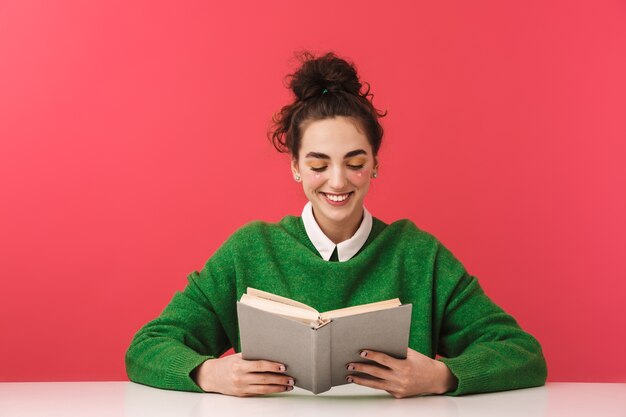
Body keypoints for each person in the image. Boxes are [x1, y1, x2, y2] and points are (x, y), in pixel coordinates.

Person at [125, 51, 547, 398]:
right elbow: (146, 347)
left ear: (375, 164)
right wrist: (206, 374)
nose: (338, 181)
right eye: (318, 164)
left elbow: (523, 354)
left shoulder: (418, 254)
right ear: (295, 167)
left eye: (355, 162)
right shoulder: (249, 250)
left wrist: (443, 377)